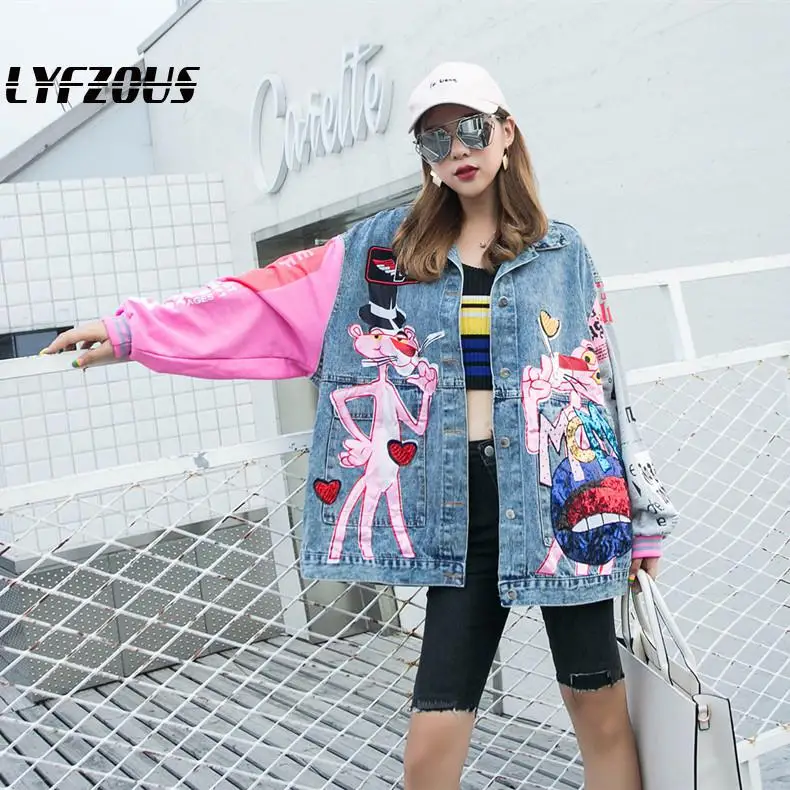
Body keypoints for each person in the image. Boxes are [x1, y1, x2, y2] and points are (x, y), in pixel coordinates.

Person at [42, 62, 678, 790]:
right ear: (425, 157)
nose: (458, 149)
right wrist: (132, 332)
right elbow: (257, 301)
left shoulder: (564, 252)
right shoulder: (379, 252)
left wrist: (644, 520)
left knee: (598, 712)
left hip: (560, 507)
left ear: (506, 133)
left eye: (472, 129)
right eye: (435, 139)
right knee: (433, 741)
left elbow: (605, 387)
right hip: (457, 512)